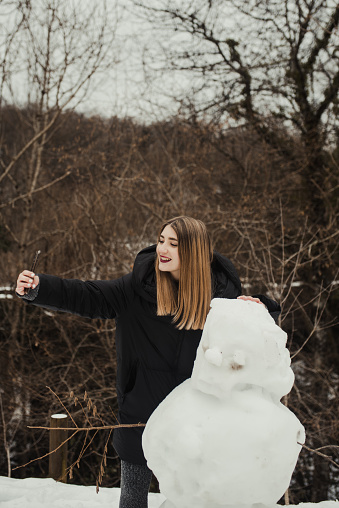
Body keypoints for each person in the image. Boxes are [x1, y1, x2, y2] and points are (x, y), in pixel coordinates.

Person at [16, 216, 280, 508]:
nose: (162, 249)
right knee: (132, 501)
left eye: (174, 243)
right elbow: (88, 296)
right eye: (161, 240)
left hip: (196, 421)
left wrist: (263, 307)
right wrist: (40, 288)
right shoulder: (137, 288)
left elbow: (253, 340)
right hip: (140, 414)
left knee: (194, 502)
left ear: (194, 251)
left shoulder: (222, 299)